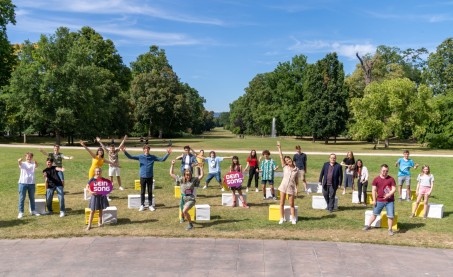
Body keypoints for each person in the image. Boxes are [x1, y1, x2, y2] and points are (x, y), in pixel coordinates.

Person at [122, 144, 172, 211]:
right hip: (142, 177)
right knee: (142, 192)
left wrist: (167, 154)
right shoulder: (140, 156)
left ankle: (150, 205)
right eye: (145, 149)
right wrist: (125, 152)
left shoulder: (152, 157)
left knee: (150, 191)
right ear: (143, 150)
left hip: (150, 176)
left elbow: (162, 159)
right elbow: (130, 157)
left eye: (148, 149)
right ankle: (142, 205)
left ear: (149, 150)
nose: (146, 150)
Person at [363, 164, 397, 236]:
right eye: (383, 171)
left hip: (389, 201)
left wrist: (388, 194)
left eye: (386, 171)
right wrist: (374, 200)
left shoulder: (391, 179)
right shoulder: (376, 179)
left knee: (390, 215)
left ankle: (390, 230)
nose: (385, 172)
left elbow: (394, 189)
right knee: (374, 214)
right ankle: (368, 226)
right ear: (380, 170)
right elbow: (373, 190)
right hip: (379, 200)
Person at [170, 160, 204, 230]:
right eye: (186, 175)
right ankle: (182, 218)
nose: (188, 176)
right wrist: (172, 164)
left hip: (191, 199)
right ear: (184, 175)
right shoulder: (181, 180)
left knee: (185, 210)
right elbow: (171, 173)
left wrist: (201, 167)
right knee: (182, 210)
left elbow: (201, 176)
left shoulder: (193, 180)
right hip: (183, 198)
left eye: (189, 175)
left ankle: (190, 225)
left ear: (191, 175)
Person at [277, 142, 299, 224]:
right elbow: (280, 157)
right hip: (283, 187)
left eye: (289, 159)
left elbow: (297, 181)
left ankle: (293, 218)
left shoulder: (296, 169)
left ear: (291, 160)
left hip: (291, 188)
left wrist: (297, 189)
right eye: (286, 160)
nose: (288, 161)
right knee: (281, 203)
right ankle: (282, 218)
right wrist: (279, 148)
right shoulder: (285, 167)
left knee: (291, 204)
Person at [17, 152, 40, 219]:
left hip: (31, 183)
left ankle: (33, 211)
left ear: (31, 157)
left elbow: (36, 166)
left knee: (32, 198)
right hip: (22, 183)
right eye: (27, 156)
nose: (28, 158)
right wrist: (19, 161)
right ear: (25, 157)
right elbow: (20, 164)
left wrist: (36, 163)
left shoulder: (33, 164)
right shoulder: (23, 163)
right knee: (22, 198)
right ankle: (21, 212)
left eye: (30, 157)